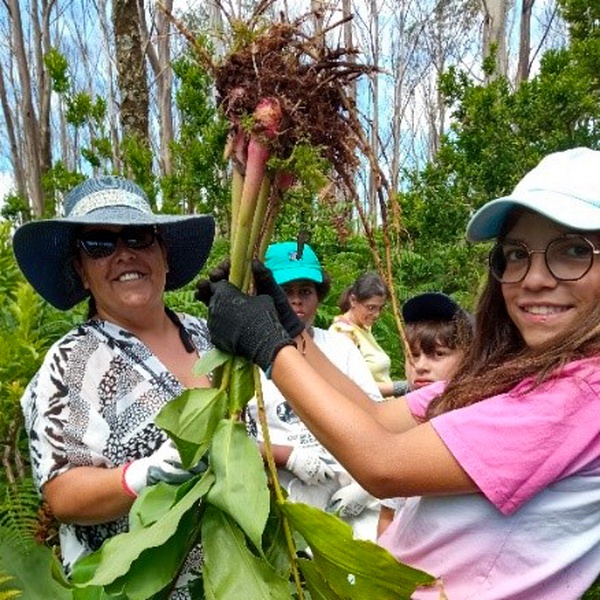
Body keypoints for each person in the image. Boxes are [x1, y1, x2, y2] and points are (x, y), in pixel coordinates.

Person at [197, 147, 600, 599]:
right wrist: (289, 333)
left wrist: (267, 347)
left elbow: (382, 465)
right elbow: (375, 417)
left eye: (572, 251)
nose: (533, 278)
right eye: (517, 254)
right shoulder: (510, 381)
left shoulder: (585, 395)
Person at [13, 176, 215, 597]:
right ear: (81, 273)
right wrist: (144, 474)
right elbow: (62, 493)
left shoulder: (209, 336)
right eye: (99, 245)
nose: (123, 255)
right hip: (135, 586)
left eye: (138, 238)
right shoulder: (73, 362)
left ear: (163, 255)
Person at [244, 241, 383, 541]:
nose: (296, 302)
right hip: (279, 497)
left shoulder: (339, 348)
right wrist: (286, 456)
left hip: (343, 489)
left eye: (305, 291)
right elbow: (229, 439)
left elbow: (377, 417)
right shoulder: (246, 360)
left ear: (318, 297)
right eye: (285, 291)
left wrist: (367, 489)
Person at [378, 292, 474, 536]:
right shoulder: (401, 423)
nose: (420, 366)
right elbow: (388, 516)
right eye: (413, 355)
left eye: (438, 354)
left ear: (470, 360)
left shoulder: (474, 426)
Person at [329, 272, 404, 397]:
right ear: (353, 300)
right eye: (371, 307)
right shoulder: (343, 333)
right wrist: (402, 387)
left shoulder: (363, 327)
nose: (376, 315)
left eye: (380, 308)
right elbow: (350, 387)